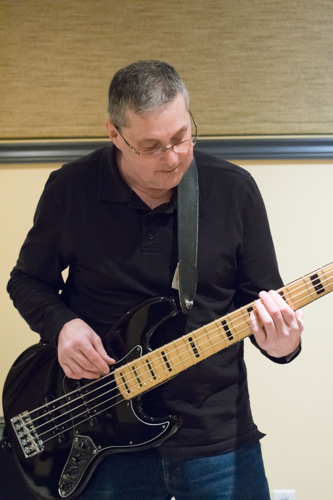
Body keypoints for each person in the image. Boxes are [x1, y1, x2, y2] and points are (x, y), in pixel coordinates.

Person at [7, 60, 303, 500]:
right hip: (98, 437)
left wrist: (283, 345)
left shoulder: (233, 190)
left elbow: (260, 300)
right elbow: (28, 281)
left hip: (216, 440)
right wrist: (62, 327)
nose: (173, 157)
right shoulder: (71, 189)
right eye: (151, 146)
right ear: (115, 134)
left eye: (181, 137)